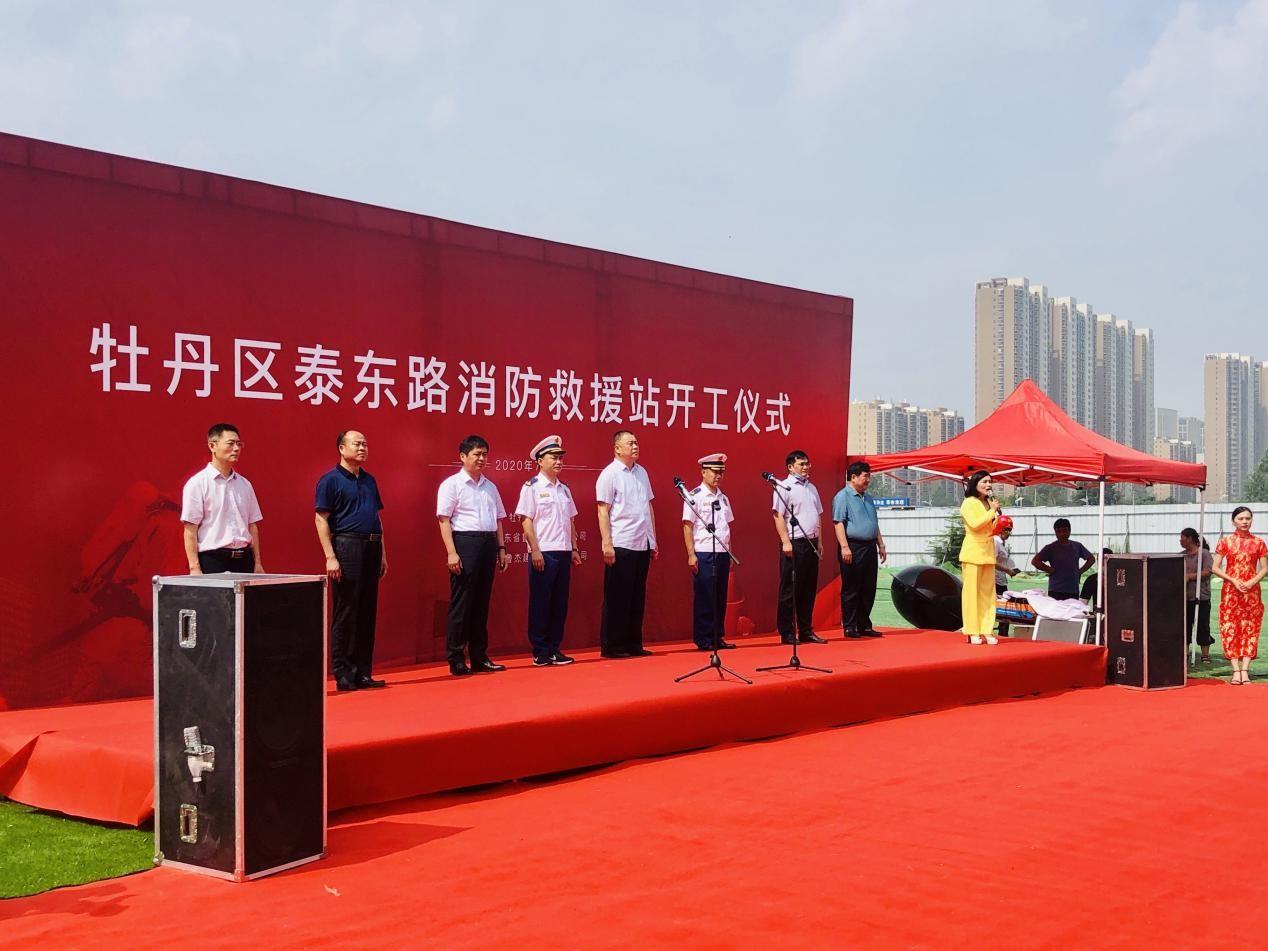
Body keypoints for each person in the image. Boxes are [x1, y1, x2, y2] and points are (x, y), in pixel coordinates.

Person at [315, 430, 387, 692]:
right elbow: (321, 519)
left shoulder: (369, 480)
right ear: (341, 448)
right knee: (346, 610)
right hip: (347, 546)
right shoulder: (330, 480)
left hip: (372, 545)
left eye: (365, 444)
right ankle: (343, 672)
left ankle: (363, 672)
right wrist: (330, 556)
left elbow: (377, 518)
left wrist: (383, 553)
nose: (362, 448)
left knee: (367, 610)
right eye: (357, 444)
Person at [437, 435, 509, 677]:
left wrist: (501, 549)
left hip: (488, 543)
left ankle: (479, 657)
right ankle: (456, 658)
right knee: (462, 602)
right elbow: (444, 520)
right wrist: (451, 552)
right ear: (463, 456)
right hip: (465, 542)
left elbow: (498, 520)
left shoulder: (490, 487)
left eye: (484, 454)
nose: (481, 459)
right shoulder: (452, 485)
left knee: (481, 602)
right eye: (477, 454)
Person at [515, 435, 582, 667]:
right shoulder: (532, 487)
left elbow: (571, 521)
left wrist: (574, 549)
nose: (558, 462)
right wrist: (535, 550)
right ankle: (540, 650)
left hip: (563, 551)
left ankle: (554, 648)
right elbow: (526, 521)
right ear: (540, 461)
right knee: (541, 602)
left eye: (560, 458)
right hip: (543, 552)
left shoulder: (564, 489)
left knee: (559, 603)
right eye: (553, 457)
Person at [596, 430, 658, 658]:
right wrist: (607, 544)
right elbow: (603, 510)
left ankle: (633, 643)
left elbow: (648, 507)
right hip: (621, 542)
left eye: (636, 442)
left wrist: (653, 540)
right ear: (617, 448)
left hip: (642, 542)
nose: (635, 446)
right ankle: (613, 645)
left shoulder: (642, 473)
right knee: (617, 597)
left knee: (636, 596)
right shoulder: (610, 474)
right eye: (630, 443)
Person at [180, 422, 264, 575]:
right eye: (230, 443)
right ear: (212, 446)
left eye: (239, 444)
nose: (236, 448)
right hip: (213, 561)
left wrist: (257, 563)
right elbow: (190, 529)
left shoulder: (245, 484)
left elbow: (252, 526)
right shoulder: (197, 483)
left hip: (244, 560)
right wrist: (194, 568)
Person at [682, 453, 737, 651]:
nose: (718, 476)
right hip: (704, 551)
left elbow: (726, 527)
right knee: (705, 595)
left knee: (720, 596)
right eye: (714, 472)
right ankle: (703, 638)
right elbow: (687, 526)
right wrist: (691, 554)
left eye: (721, 472)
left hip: (722, 552)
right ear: (703, 472)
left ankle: (717, 636)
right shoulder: (694, 496)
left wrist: (729, 552)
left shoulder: (724, 498)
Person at [772, 450, 826, 645]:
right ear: (790, 467)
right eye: (801, 464)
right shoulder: (783, 487)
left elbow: (818, 515)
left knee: (808, 589)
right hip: (794, 543)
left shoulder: (812, 488)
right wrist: (785, 541)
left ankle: (805, 630)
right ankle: (787, 632)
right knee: (790, 589)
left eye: (807, 464)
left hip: (811, 543)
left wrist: (820, 541)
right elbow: (778, 515)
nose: (805, 467)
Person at [1212, 506, 1267, 685]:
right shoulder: (1225, 542)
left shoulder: (1259, 543)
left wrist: (1252, 581)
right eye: (1241, 518)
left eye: (1247, 518)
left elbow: (1265, 568)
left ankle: (1245, 670)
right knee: (1230, 627)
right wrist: (1233, 580)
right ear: (1233, 521)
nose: (1244, 522)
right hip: (1231, 591)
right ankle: (1236, 670)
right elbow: (1215, 567)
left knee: (1250, 627)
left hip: (1252, 593)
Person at [832, 461, 887, 639]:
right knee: (852, 587)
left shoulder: (868, 498)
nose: (868, 480)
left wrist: (881, 544)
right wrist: (844, 546)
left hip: (870, 546)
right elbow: (838, 523)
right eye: (865, 476)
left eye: (869, 476)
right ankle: (850, 626)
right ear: (853, 477)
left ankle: (864, 625)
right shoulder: (843, 496)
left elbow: (874, 524)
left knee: (868, 587)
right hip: (853, 546)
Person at [959, 470, 1000, 645]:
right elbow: (975, 525)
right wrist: (992, 512)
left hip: (988, 553)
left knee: (988, 595)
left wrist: (1001, 522)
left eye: (990, 482)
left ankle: (987, 629)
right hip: (973, 553)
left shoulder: (989, 503)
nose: (988, 485)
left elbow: (992, 526)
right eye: (984, 482)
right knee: (972, 594)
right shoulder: (968, 503)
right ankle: (972, 630)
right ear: (975, 484)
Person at [1031, 518, 1095, 600]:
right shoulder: (1050, 547)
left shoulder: (1077, 546)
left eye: (1064, 531)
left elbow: (1091, 559)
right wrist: (1049, 569)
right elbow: (1035, 561)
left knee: (1073, 608)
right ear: (1055, 532)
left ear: (1070, 531)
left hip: (1073, 590)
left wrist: (1080, 571)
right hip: (1055, 590)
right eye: (1058, 531)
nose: (1062, 534)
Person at [1180, 528, 1214, 665]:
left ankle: (1205, 655)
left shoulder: (1204, 554)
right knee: (1185, 626)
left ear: (1190, 538)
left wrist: (1189, 576)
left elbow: (1208, 571)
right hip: (1184, 598)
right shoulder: (1181, 556)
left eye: (1182, 538)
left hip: (1201, 598)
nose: (1180, 541)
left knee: (1202, 626)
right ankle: (1185, 653)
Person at [993, 514, 1020, 636]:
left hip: (1001, 580)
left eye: (1010, 530)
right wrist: (1008, 570)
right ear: (1000, 528)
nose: (1008, 533)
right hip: (994, 582)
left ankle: (1003, 634)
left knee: (1005, 612)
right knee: (999, 611)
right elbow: (991, 562)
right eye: (1006, 529)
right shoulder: (995, 542)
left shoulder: (1001, 543)